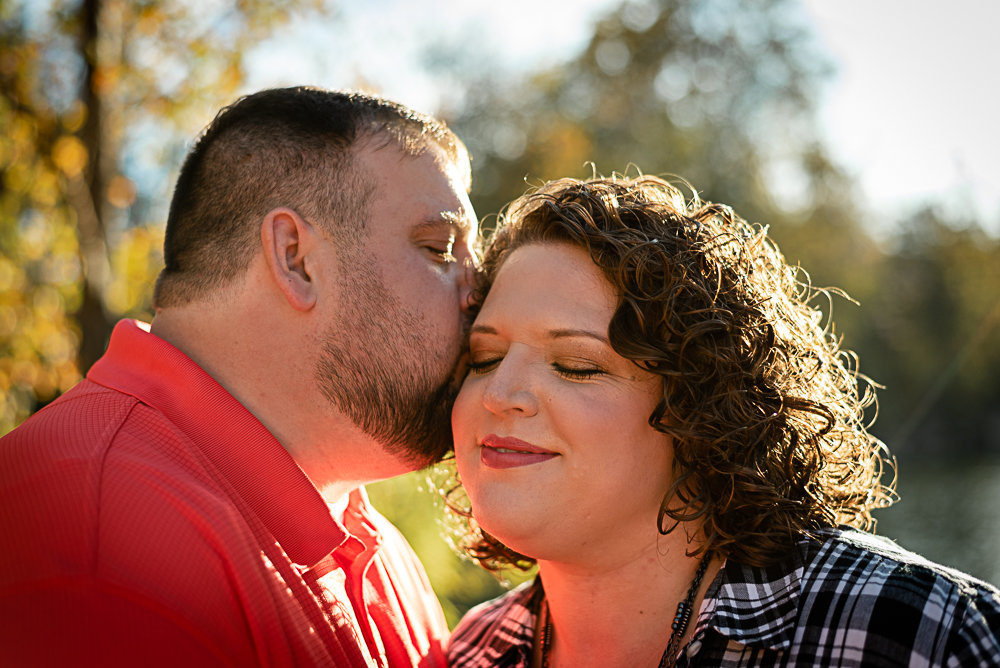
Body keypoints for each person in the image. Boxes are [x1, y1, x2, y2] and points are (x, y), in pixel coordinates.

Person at [0, 87, 479, 666]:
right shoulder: (92, 546)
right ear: (295, 258)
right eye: (439, 248)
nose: (479, 296)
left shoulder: (372, 542)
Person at [445, 174, 1000, 667]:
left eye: (576, 366)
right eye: (484, 358)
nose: (499, 394)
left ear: (703, 405)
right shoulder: (474, 651)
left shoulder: (918, 633)